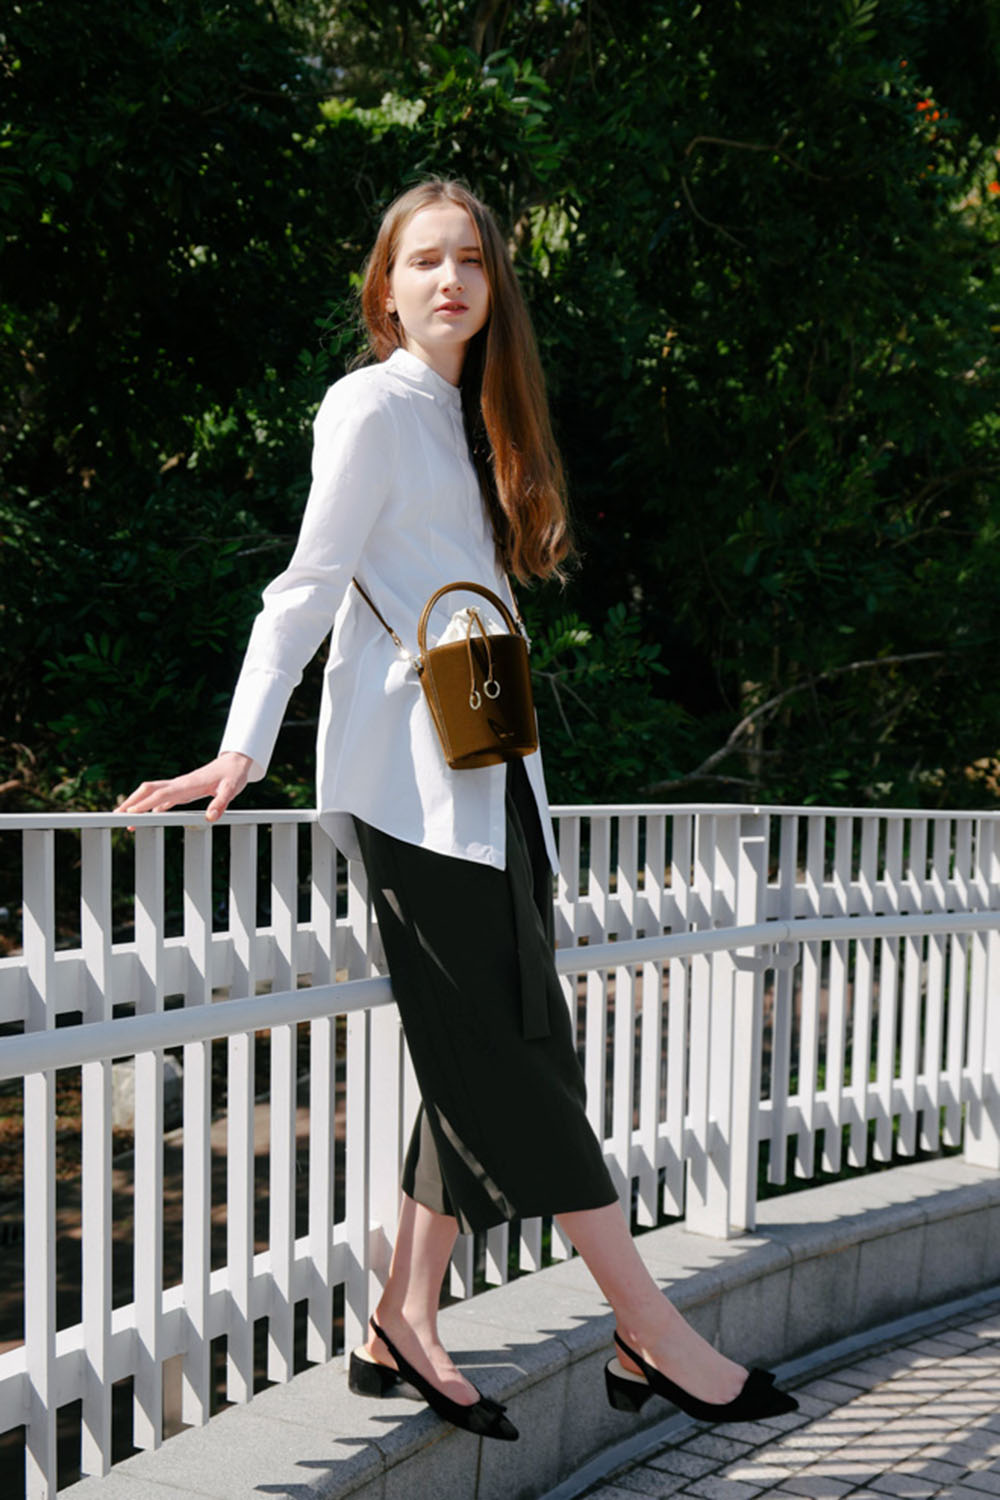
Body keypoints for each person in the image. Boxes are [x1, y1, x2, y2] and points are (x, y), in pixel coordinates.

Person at [117, 179, 796, 1441]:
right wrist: (241, 747)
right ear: (385, 288)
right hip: (411, 793)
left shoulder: (474, 418)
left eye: (471, 261)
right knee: (520, 1060)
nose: (450, 280)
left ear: (494, 287)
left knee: (494, 1042)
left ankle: (401, 1319)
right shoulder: (369, 406)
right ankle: (649, 1325)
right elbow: (308, 583)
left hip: (494, 776)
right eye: (424, 260)